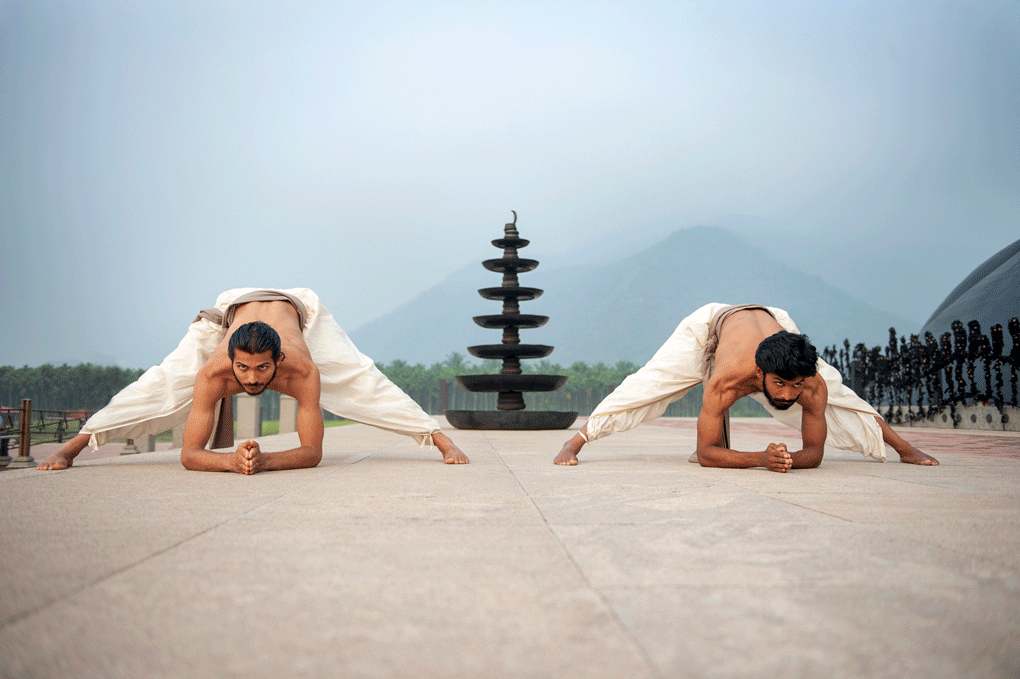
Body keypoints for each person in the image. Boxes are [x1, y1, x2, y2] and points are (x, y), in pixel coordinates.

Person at [37, 288, 468, 473]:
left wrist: (266, 461)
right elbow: (190, 454)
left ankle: (438, 437)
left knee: (362, 381)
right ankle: (74, 444)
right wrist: (230, 461)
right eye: (242, 369)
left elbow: (312, 452)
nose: (252, 380)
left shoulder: (301, 369)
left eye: (263, 369)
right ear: (228, 359)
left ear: (278, 361)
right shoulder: (216, 369)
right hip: (232, 310)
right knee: (162, 383)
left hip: (298, 308)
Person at [554, 303, 938, 471]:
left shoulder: (810, 384)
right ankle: (577, 440)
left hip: (773, 319)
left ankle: (903, 447)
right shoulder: (728, 380)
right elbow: (706, 455)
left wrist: (786, 459)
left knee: (839, 391)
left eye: (795, 386)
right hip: (712, 323)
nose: (788, 395)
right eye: (780, 385)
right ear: (759, 375)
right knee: (650, 384)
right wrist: (760, 458)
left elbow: (814, 454)